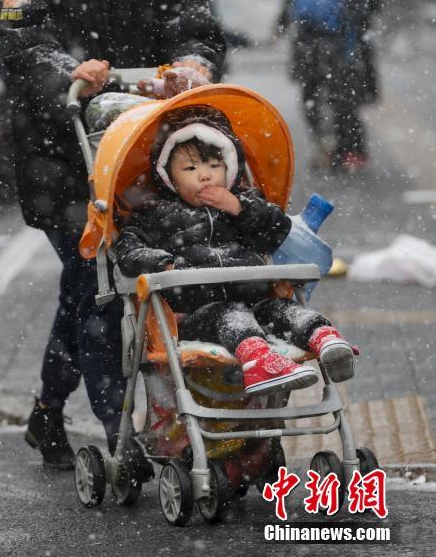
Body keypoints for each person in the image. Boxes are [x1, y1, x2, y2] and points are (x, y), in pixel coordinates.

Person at [0, 0, 226, 468]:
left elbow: (195, 16)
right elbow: (12, 28)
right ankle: (124, 432)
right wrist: (67, 72)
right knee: (93, 279)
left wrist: (194, 61)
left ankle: (47, 412)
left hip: (138, 141)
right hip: (60, 148)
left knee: (100, 281)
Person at [115, 105, 356, 395]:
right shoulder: (155, 215)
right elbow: (128, 252)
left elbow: (278, 229)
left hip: (255, 298)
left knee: (286, 310)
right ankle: (259, 361)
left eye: (214, 166)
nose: (204, 176)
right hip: (196, 310)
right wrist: (167, 265)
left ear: (229, 169)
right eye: (190, 168)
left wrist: (238, 208)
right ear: (169, 176)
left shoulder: (243, 202)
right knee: (231, 315)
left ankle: (326, 341)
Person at [275, 0, 382, 171]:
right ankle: (350, 150)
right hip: (343, 41)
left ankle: (322, 142)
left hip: (307, 40)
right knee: (345, 97)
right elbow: (375, 1)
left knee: (310, 92)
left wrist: (280, 23)